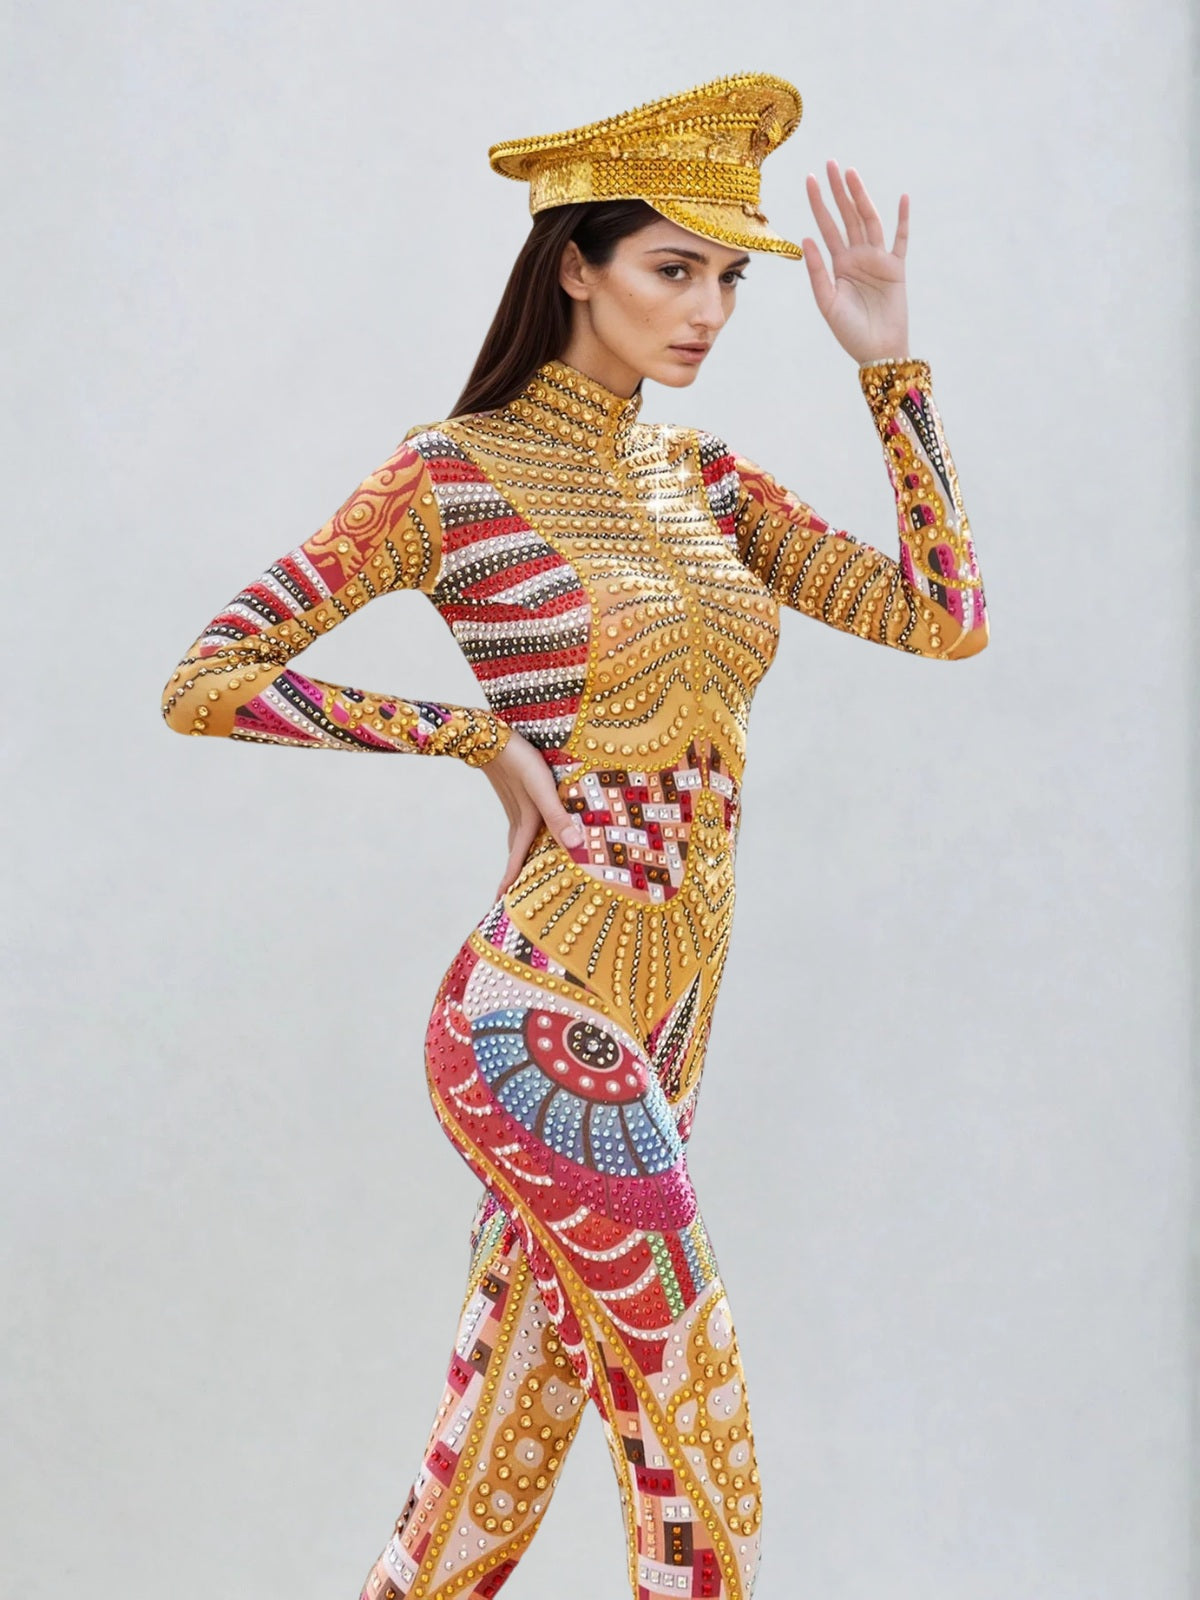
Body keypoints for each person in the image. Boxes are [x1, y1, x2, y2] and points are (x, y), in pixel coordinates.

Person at [161, 70, 987, 1600]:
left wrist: (890, 368)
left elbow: (943, 617)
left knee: (496, 1453)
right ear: (575, 268)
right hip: (537, 1013)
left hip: (670, 1016)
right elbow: (210, 679)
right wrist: (468, 735)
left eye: (729, 278)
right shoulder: (450, 477)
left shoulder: (705, 480)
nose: (708, 312)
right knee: (700, 1426)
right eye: (674, 268)